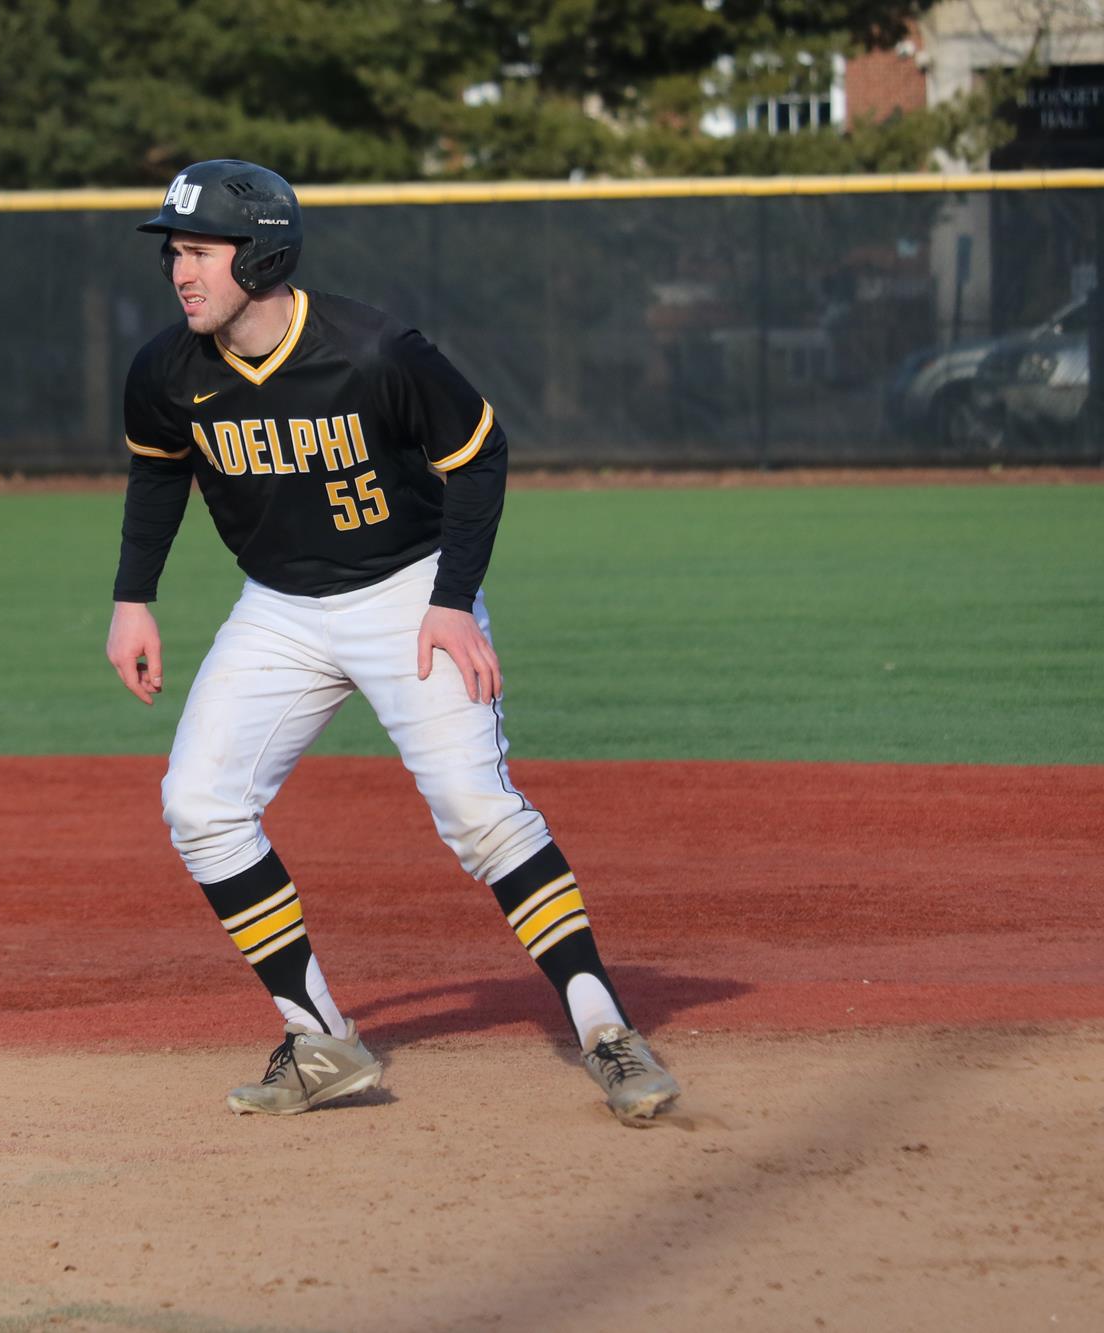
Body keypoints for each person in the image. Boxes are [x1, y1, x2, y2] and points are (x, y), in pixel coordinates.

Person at [106, 158, 681, 1124]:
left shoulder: (374, 350)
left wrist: (454, 599)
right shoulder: (169, 370)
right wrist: (134, 598)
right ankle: (321, 1036)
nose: (179, 270)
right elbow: (160, 472)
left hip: (407, 593)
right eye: (174, 251)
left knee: (478, 811)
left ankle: (605, 1029)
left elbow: (479, 453)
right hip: (280, 607)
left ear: (263, 252)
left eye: (199, 250)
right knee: (201, 806)